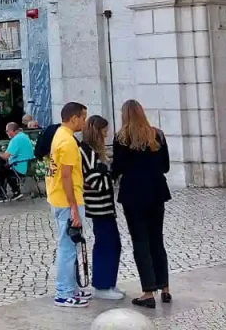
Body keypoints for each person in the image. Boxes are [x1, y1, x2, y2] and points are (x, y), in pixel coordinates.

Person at [112, 99, 172, 309]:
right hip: (156, 191)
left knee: (140, 242)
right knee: (157, 240)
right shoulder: (157, 135)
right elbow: (165, 166)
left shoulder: (121, 138)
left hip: (133, 194)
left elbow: (118, 168)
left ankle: (148, 291)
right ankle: (165, 288)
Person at [48, 101, 90, 308]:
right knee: (68, 247)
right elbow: (66, 176)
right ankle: (63, 292)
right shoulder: (68, 142)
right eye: (83, 118)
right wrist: (73, 207)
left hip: (58, 198)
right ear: (74, 118)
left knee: (71, 245)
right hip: (67, 201)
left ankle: (71, 288)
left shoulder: (60, 135)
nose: (85, 122)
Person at [80, 115, 124, 301]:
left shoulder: (92, 152)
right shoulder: (88, 153)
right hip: (99, 205)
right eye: (104, 131)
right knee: (107, 244)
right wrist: (110, 174)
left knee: (111, 243)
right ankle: (102, 285)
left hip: (103, 205)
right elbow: (95, 181)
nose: (106, 135)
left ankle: (108, 282)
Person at [0, 122, 32, 201]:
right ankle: (16, 192)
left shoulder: (15, 139)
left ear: (12, 131)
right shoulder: (24, 136)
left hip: (19, 168)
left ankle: (1, 194)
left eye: (7, 131)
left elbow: (5, 156)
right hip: (28, 167)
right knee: (6, 170)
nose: (6, 133)